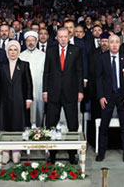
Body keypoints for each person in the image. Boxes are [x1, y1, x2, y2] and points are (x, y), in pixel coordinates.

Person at [43, 27, 84, 163]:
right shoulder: (50, 51)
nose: (62, 39)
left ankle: (72, 155)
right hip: (53, 94)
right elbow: (46, 73)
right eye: (60, 37)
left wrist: (80, 91)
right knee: (51, 125)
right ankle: (52, 155)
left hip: (70, 93)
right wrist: (45, 91)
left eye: (65, 36)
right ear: (56, 38)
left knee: (73, 125)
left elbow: (79, 72)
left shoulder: (76, 50)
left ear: (69, 37)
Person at [94, 34, 124, 163]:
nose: (114, 44)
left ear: (120, 44)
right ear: (108, 44)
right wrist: (101, 96)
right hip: (107, 96)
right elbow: (98, 79)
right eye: (112, 42)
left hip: (122, 97)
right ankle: (101, 153)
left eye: (117, 42)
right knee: (104, 126)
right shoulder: (102, 58)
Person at [0, 40, 33, 164]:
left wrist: (29, 98)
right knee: (4, 126)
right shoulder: (1, 65)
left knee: (17, 126)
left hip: (19, 100)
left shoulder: (24, 65)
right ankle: (5, 152)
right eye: (10, 50)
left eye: (15, 50)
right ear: (7, 51)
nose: (13, 52)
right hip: (4, 100)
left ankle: (16, 151)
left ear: (18, 51)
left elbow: (28, 83)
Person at [18, 31, 46, 127]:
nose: (30, 42)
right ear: (25, 42)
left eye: (33, 40)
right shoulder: (20, 56)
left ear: (36, 41)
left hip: (39, 88)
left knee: (39, 113)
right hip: (25, 90)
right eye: (28, 40)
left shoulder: (43, 56)